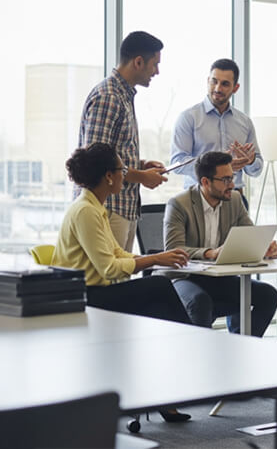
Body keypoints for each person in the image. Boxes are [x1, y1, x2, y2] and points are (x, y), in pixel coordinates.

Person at [52, 142, 194, 423]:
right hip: (85, 297)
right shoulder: (86, 212)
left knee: (158, 307)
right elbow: (108, 268)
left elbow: (118, 255)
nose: (124, 175)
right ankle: (189, 352)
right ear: (108, 176)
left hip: (97, 293)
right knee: (159, 287)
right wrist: (154, 261)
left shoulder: (95, 207)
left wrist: (154, 258)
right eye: (121, 170)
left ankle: (166, 383)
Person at [164, 151, 277, 336]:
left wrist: (263, 247)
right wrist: (210, 253)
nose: (232, 184)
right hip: (183, 278)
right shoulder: (179, 204)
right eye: (225, 180)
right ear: (205, 182)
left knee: (268, 295)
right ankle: (202, 359)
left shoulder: (234, 200)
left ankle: (242, 347)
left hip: (219, 277)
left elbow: (248, 234)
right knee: (200, 301)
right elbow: (174, 249)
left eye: (232, 177)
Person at [78, 31, 169, 253]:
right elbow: (97, 164)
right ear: (138, 62)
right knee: (109, 285)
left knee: (121, 283)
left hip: (123, 208)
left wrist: (141, 164)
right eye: (154, 64)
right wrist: (142, 177)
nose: (157, 72)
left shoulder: (123, 96)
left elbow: (113, 153)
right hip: (108, 209)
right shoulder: (108, 97)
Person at [170, 59, 263, 209]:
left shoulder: (245, 122)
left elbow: (257, 169)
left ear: (236, 88)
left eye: (225, 84)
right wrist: (217, 168)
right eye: (214, 81)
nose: (218, 88)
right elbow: (177, 163)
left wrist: (250, 161)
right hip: (198, 200)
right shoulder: (188, 118)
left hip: (234, 200)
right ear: (208, 81)